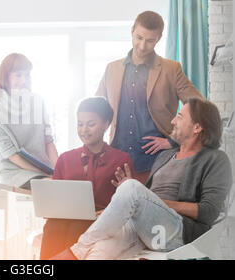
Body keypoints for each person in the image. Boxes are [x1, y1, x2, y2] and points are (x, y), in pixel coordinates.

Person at [51, 98, 233, 260]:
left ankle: (76, 250)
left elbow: (209, 212)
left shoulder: (215, 159)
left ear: (197, 127)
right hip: (145, 228)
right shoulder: (165, 156)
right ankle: (81, 251)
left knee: (131, 189)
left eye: (179, 116)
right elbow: (147, 197)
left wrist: (145, 198)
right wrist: (131, 195)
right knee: (99, 252)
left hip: (178, 231)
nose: (172, 121)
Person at [96, 11, 203, 183]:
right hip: (116, 161)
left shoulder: (171, 69)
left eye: (150, 41)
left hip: (157, 163)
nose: (142, 46)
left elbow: (200, 108)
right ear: (132, 31)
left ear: (159, 39)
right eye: (139, 37)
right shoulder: (112, 68)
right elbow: (97, 110)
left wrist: (173, 141)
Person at [39, 97, 136, 259]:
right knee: (52, 226)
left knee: (76, 226)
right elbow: (56, 198)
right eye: (80, 124)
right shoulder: (65, 159)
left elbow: (129, 202)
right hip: (65, 219)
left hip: (103, 221)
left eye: (91, 124)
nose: (84, 130)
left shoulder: (121, 159)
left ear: (105, 124)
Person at [0, 53, 59, 189]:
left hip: (44, 169)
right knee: (49, 185)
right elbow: (12, 155)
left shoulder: (38, 102)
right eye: (18, 75)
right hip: (15, 172)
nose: (24, 80)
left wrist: (59, 171)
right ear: (5, 78)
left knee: (64, 184)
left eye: (27, 75)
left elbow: (48, 141)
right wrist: (45, 175)